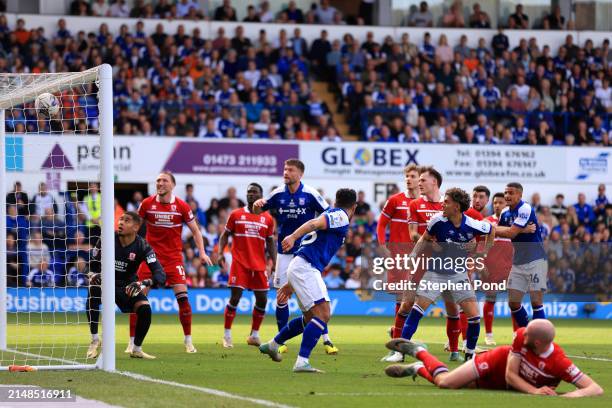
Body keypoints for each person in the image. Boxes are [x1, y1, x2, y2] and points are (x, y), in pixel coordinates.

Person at [259, 189, 357, 373]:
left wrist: (291, 281)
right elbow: (314, 222)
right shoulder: (341, 216)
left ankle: (273, 344)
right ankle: (302, 361)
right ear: (354, 207)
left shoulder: (332, 213)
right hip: (306, 266)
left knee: (310, 318)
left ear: (335, 201)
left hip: (301, 265)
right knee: (323, 315)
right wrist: (293, 236)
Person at [393, 188, 495, 361]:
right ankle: (399, 352)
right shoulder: (437, 221)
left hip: (458, 275)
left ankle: (469, 356)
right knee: (417, 310)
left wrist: (482, 251)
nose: (442, 204)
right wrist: (412, 256)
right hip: (435, 272)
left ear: (456, 207)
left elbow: (491, 230)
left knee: (475, 317)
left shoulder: (472, 224)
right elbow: (424, 238)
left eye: (446, 202)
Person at [385, 320, 603, 398]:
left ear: (538, 343)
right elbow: (510, 374)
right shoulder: (521, 336)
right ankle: (420, 352)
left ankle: (417, 369)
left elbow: (594, 389)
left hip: (506, 384)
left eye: (527, 335)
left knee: (450, 383)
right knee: (446, 383)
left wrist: (570, 397)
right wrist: (535, 391)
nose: (520, 334)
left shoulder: (559, 362)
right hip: (499, 363)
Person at [253, 159, 338, 355]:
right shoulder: (278, 193)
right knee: (281, 297)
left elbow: (328, 214)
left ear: (300, 174)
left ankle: (326, 339)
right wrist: (257, 205)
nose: (285, 173)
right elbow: (258, 210)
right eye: (284, 169)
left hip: (307, 253)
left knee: (316, 299)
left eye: (290, 170)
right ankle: (280, 341)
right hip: (284, 253)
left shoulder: (310, 193)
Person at [132, 171, 212, 354]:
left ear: (172, 185)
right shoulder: (147, 204)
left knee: (183, 300)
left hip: (173, 259)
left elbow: (196, 231)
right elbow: (135, 228)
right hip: (150, 258)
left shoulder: (182, 206)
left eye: (164, 181)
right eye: (158, 180)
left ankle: (188, 341)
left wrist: (201, 252)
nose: (160, 183)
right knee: (137, 299)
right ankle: (132, 342)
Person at [396, 167, 463, 361]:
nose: (419, 183)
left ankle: (454, 351)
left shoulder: (449, 204)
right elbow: (413, 234)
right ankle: (396, 350)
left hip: (445, 264)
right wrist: (433, 243)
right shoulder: (415, 204)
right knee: (407, 304)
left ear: (435, 182)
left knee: (452, 308)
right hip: (422, 261)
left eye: (423, 180)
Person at [86, 212, 166, 360]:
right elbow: (89, 267)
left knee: (145, 309)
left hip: (128, 287)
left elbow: (160, 275)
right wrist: (93, 275)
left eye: (126, 220)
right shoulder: (106, 239)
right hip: (106, 283)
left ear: (136, 227)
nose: (121, 222)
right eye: (120, 219)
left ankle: (136, 349)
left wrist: (142, 283)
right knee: (93, 290)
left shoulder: (143, 246)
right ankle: (95, 339)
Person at [218, 183, 276, 348]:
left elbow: (271, 242)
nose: (251, 194)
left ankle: (254, 335)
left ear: (261, 196)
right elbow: (225, 235)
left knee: (263, 300)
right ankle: (227, 335)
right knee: (235, 298)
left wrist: (275, 262)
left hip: (259, 265)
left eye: (254, 192)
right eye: (249, 192)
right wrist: (221, 252)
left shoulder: (268, 218)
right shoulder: (236, 214)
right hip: (240, 263)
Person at [378, 164, 420, 363]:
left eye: (413, 176)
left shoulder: (425, 203)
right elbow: (381, 224)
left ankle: (397, 332)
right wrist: (382, 246)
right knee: (401, 300)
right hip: (399, 256)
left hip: (422, 257)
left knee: (419, 301)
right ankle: (398, 345)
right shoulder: (395, 200)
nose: (409, 179)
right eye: (407, 176)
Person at [496, 182, 546, 329]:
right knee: (513, 303)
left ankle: (541, 338)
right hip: (518, 262)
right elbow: (502, 232)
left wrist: (493, 228)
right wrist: (521, 230)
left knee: (536, 302)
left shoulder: (525, 209)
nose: (507, 196)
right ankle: (527, 332)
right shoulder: (505, 213)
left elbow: (509, 232)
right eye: (505, 193)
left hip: (536, 260)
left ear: (520, 195)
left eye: (511, 193)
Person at [481, 192, 513, 345]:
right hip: (491, 270)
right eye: (495, 203)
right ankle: (488, 334)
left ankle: (517, 335)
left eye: (501, 202)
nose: (497, 205)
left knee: (515, 302)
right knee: (490, 300)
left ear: (506, 205)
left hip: (510, 269)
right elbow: (480, 246)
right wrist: (481, 265)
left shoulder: (514, 223)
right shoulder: (487, 222)